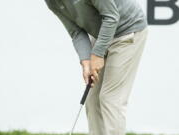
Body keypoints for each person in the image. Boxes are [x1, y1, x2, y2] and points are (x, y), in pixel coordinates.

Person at [44, 0, 148, 135]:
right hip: (102, 34)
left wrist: (97, 54)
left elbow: (111, 17)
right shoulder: (52, 2)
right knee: (92, 98)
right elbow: (76, 32)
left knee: (110, 98)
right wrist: (86, 61)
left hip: (127, 30)